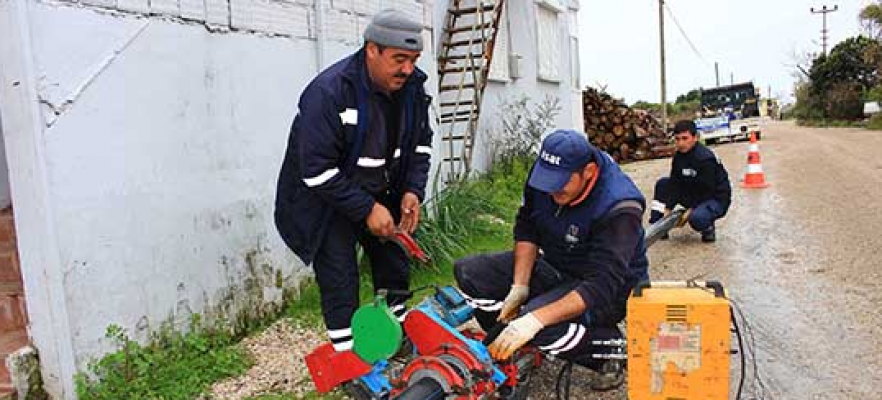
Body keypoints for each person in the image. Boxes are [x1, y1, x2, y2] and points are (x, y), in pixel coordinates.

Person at [274, 9, 433, 352]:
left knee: (394, 259)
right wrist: (366, 209)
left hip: (381, 191)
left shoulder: (413, 90)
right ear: (371, 50)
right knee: (339, 275)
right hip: (326, 198)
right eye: (400, 59)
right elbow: (315, 169)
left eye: (414, 59)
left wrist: (411, 190)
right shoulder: (328, 93)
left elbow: (420, 146)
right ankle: (347, 358)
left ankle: (394, 335)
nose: (408, 69)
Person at [454, 129, 649, 367]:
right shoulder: (546, 177)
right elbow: (528, 227)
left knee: (538, 325)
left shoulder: (619, 206)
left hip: (608, 290)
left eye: (560, 184)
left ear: (587, 172)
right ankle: (511, 344)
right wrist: (520, 286)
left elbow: (602, 285)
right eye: (547, 182)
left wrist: (534, 320)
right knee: (469, 273)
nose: (550, 190)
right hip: (558, 266)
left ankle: (610, 350)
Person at [649, 120, 731, 242]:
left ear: (695, 137)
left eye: (685, 138)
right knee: (663, 184)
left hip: (714, 198)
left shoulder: (705, 158)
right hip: (692, 190)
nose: (681, 143)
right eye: (677, 139)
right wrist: (668, 209)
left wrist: (690, 210)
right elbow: (674, 183)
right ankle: (659, 227)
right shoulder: (679, 156)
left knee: (697, 218)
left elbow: (708, 190)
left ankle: (707, 227)